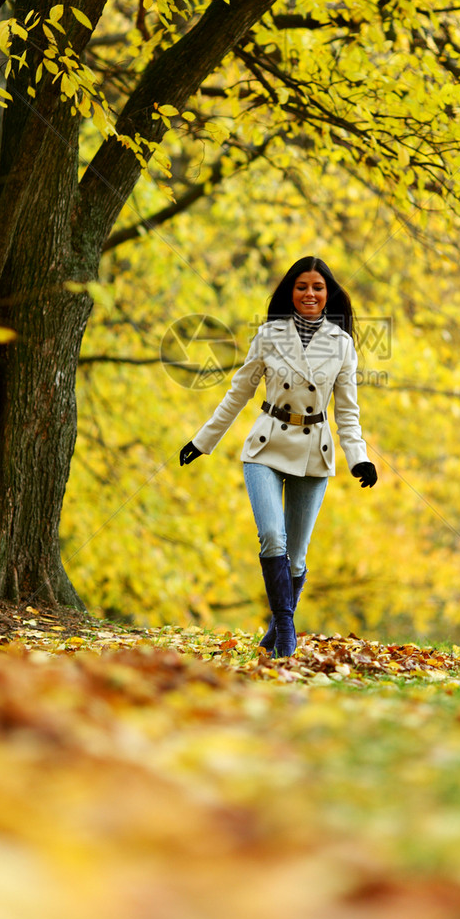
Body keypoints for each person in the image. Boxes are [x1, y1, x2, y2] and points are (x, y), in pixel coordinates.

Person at [179, 256, 378, 657]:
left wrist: (359, 457)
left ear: (328, 295)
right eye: (302, 286)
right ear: (291, 291)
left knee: (298, 555)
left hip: (313, 453)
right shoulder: (269, 335)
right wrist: (202, 441)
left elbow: (348, 412)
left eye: (318, 288)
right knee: (272, 535)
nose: (309, 294)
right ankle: (286, 626)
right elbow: (238, 392)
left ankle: (278, 624)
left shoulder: (342, 345)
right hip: (265, 446)